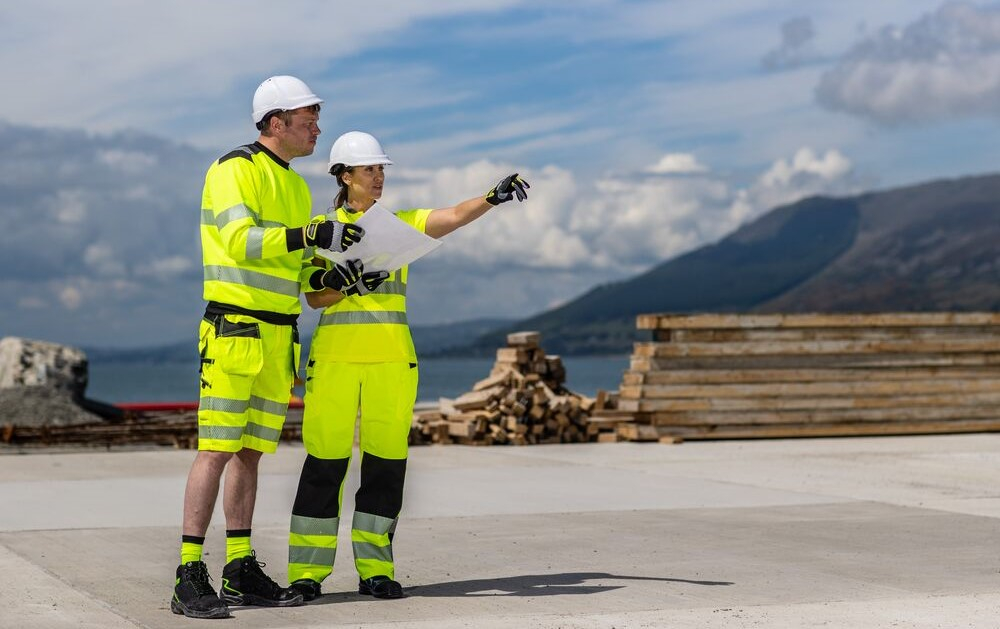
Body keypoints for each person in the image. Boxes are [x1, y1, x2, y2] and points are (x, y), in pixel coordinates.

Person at [285, 131, 529, 601]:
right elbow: (314, 297)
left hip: (392, 364)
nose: (378, 177)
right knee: (324, 468)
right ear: (344, 175)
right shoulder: (320, 231)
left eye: (382, 170)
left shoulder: (401, 225)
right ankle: (306, 575)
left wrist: (492, 197)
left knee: (385, 468)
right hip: (335, 364)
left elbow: (453, 216)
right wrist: (346, 284)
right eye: (369, 170)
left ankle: (376, 569)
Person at [171, 76, 368, 619]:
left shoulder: (296, 187)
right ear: (275, 122)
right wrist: (311, 236)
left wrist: (344, 272)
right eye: (309, 120)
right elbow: (240, 240)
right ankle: (189, 574)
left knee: (250, 454)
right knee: (214, 450)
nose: (318, 130)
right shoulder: (235, 168)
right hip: (234, 331)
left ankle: (239, 568)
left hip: (279, 336)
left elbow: (303, 275)